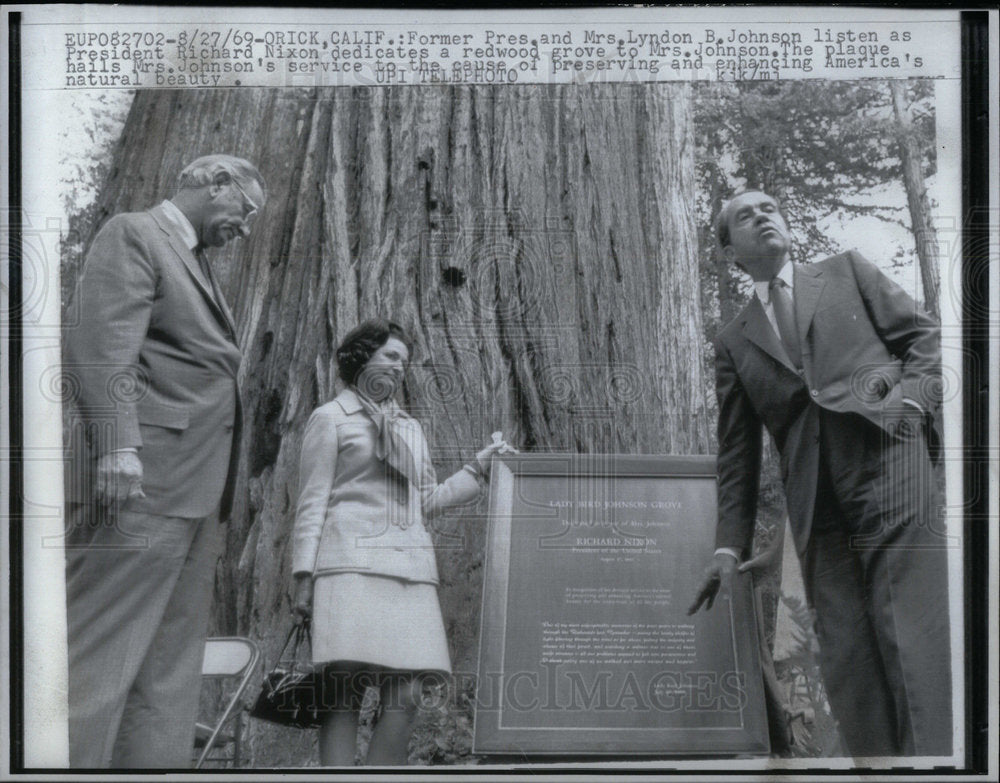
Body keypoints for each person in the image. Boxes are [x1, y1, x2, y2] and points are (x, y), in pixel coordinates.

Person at [688, 190, 951, 757]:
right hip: (814, 500)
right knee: (848, 650)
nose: (762, 215)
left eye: (769, 207)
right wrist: (727, 549)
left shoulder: (846, 272)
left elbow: (923, 338)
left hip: (888, 463)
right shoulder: (733, 341)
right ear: (731, 252)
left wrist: (910, 404)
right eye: (743, 216)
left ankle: (933, 764)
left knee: (906, 628)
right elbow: (738, 453)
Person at [63, 154, 266, 767]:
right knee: (97, 658)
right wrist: (118, 447)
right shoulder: (134, 233)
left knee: (166, 672)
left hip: (195, 490)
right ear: (214, 183)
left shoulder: (197, 261)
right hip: (141, 481)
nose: (246, 228)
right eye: (245, 211)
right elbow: (100, 347)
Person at [290, 319, 515, 766]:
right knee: (344, 689)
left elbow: (425, 501)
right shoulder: (329, 418)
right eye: (391, 356)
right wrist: (303, 577)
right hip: (348, 566)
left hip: (410, 570)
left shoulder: (410, 427)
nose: (399, 367)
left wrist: (478, 467)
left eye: (404, 362)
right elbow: (311, 503)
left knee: (409, 691)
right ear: (361, 357)